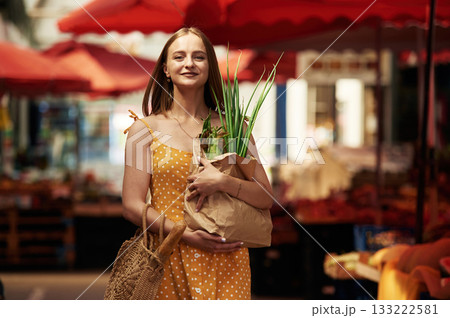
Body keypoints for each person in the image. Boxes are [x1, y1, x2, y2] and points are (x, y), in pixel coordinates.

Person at [122, 27, 273, 300]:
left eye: (198, 57)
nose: (189, 63)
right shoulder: (142, 131)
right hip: (168, 256)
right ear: (166, 68)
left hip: (227, 259)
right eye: (179, 57)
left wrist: (224, 182)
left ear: (209, 67)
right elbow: (132, 205)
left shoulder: (234, 129)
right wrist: (185, 234)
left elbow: (265, 197)